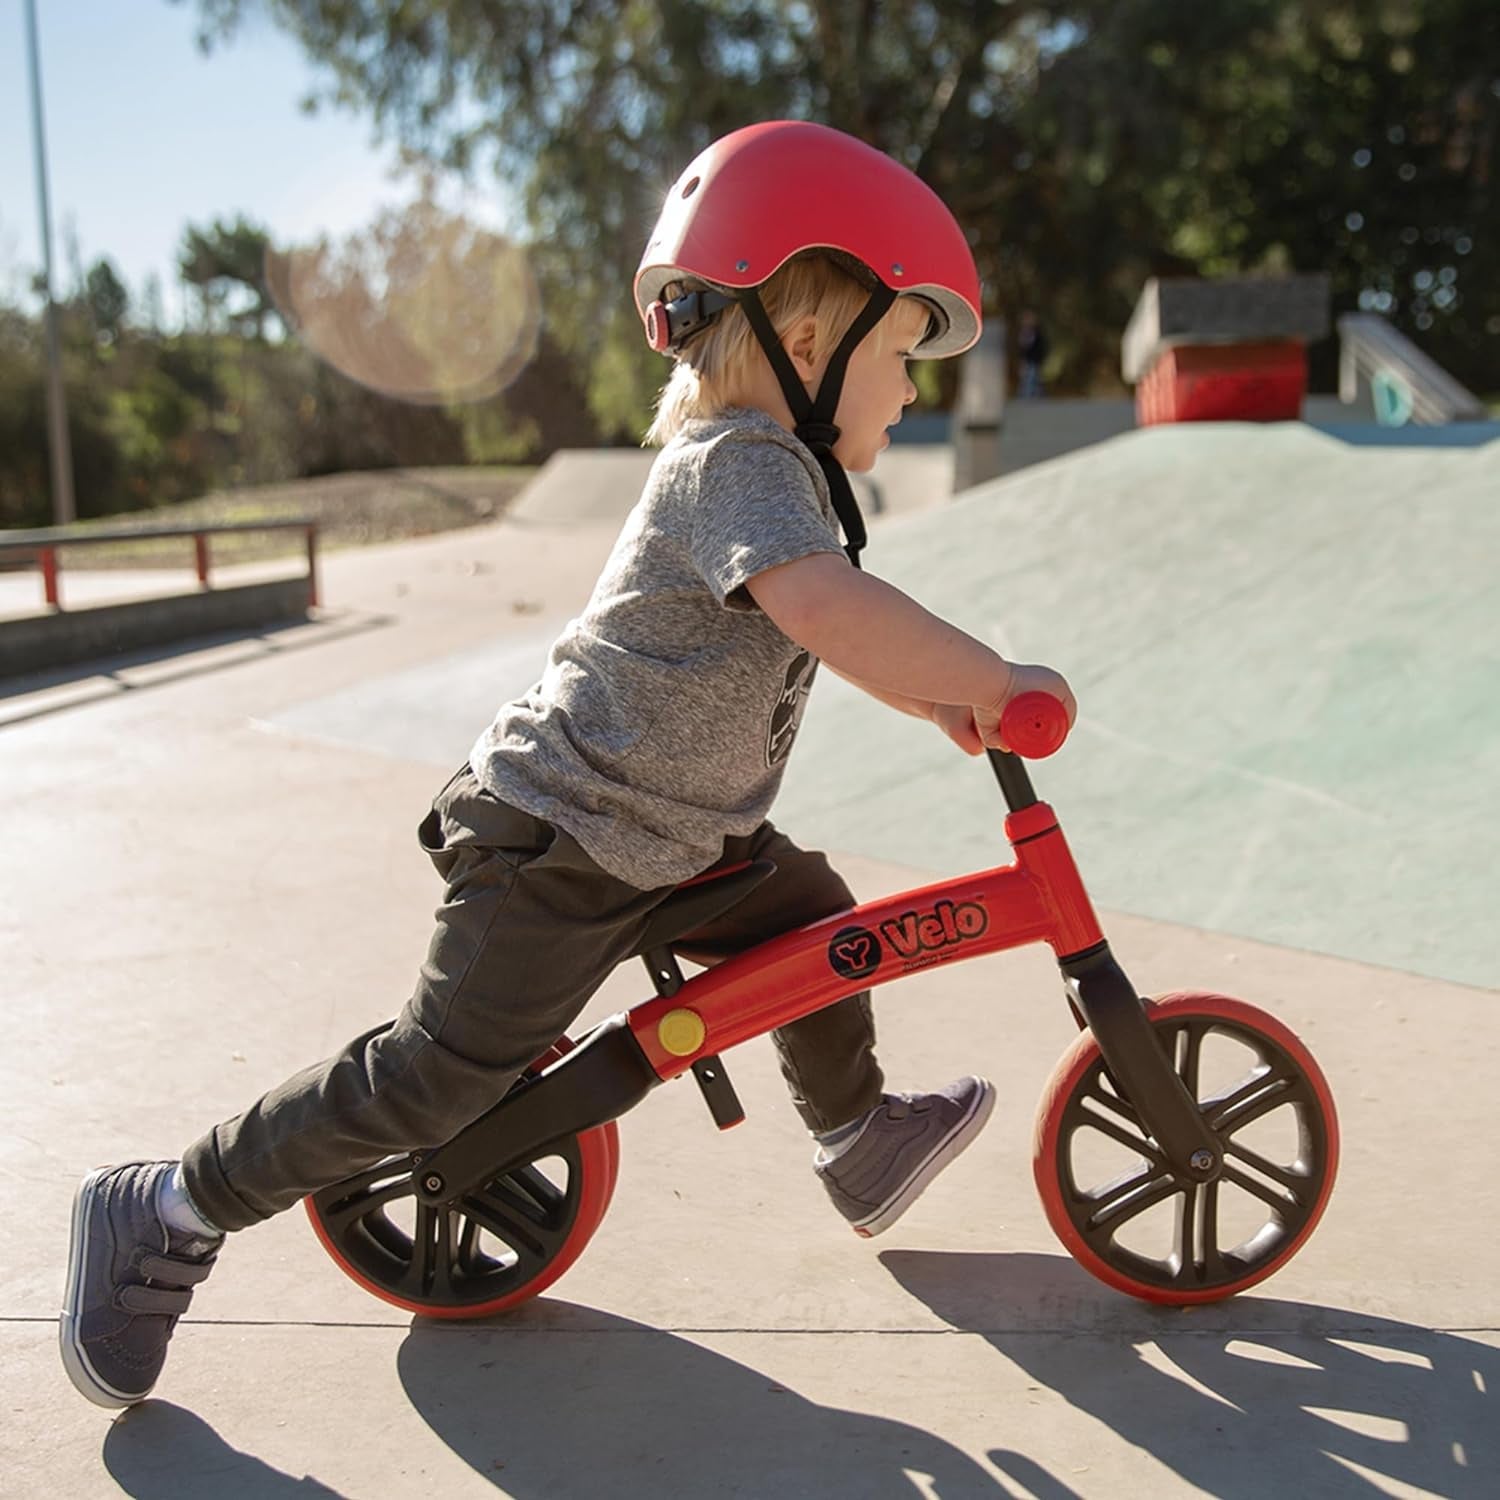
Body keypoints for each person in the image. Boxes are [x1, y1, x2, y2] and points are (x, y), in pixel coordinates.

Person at [60, 120, 1076, 1410]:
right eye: (900, 352)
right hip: (560, 837)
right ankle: (167, 1204)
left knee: (820, 921)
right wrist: (990, 679)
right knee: (433, 1076)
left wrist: (929, 702)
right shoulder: (743, 464)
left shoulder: (779, 481)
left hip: (676, 840)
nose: (914, 388)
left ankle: (855, 1134)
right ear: (808, 347)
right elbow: (824, 607)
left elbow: (814, 622)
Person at [1017, 310, 1049, 398]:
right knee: (1029, 378)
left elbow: (1041, 347)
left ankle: (1030, 395)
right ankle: (1028, 395)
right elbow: (1022, 349)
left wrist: (1040, 358)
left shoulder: (1037, 332)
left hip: (1035, 360)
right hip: (1027, 360)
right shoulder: (1023, 332)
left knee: (1033, 378)